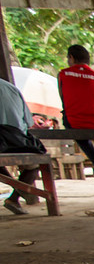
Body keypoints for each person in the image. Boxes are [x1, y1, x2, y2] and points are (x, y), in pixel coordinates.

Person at [57, 44, 94, 178]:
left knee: (79, 135)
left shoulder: (62, 75)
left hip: (74, 121)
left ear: (71, 57)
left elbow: (63, 98)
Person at [0, 77, 45, 215]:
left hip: (5, 140)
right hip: (16, 139)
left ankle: (15, 186)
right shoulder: (11, 88)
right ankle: (15, 196)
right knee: (36, 160)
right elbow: (28, 122)